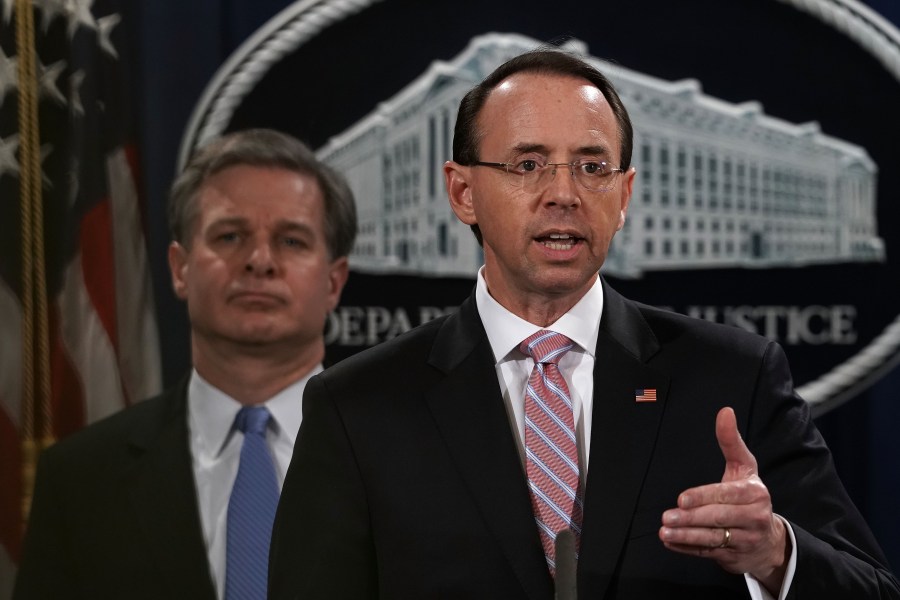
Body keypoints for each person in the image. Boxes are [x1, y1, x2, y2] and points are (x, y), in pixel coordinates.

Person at [268, 49, 900, 599]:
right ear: (463, 193)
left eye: (592, 167)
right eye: (528, 164)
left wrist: (777, 555)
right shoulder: (358, 408)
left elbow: (871, 587)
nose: (563, 193)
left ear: (623, 197)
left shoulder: (734, 378)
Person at [13, 128, 357, 600]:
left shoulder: (407, 462)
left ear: (334, 283)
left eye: (292, 241)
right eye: (230, 236)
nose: (259, 261)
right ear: (180, 269)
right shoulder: (79, 479)